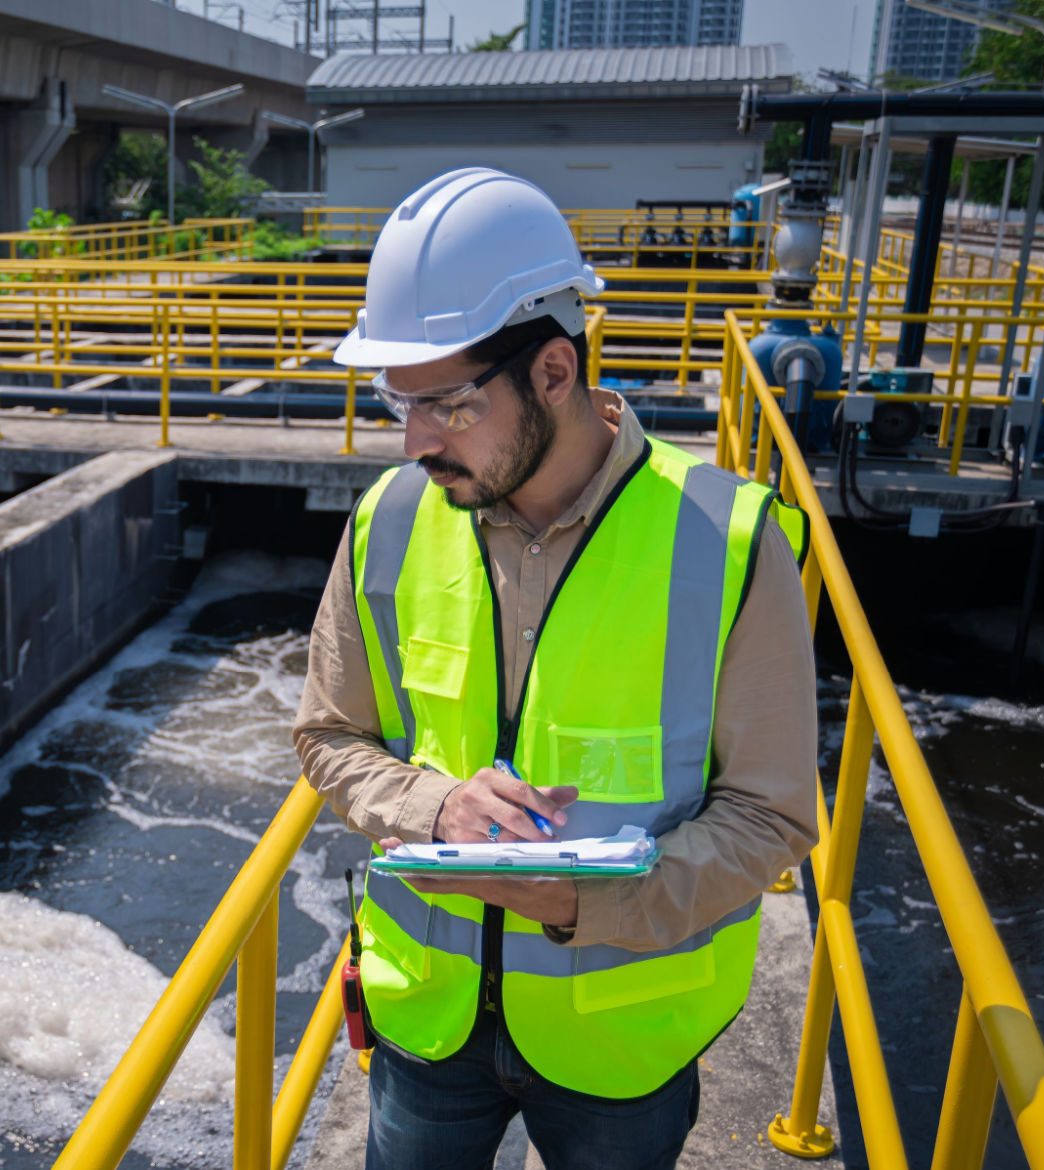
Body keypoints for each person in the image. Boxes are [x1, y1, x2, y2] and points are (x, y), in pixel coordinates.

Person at [293, 168, 821, 1170]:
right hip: (425, 1027)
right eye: (395, 403)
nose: (412, 443)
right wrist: (434, 808)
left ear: (550, 371)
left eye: (444, 406)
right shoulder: (388, 523)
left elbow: (771, 816)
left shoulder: (727, 540)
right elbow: (329, 736)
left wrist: (590, 905)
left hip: (620, 1041)